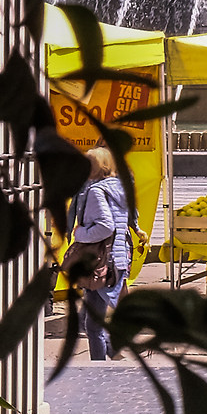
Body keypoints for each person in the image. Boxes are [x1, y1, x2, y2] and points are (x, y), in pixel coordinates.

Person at [69, 145, 132, 362]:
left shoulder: (96, 191)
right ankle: (114, 351)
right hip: (118, 259)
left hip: (101, 263)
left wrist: (81, 233)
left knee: (92, 326)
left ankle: (100, 366)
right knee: (91, 315)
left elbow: (106, 226)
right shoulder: (121, 188)